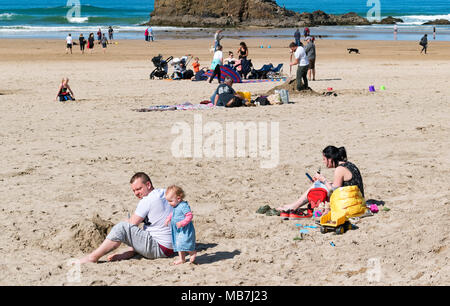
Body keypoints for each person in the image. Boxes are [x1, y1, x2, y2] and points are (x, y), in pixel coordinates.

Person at [80, 172, 174, 263]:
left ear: (148, 185)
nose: (136, 193)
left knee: (122, 227)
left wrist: (127, 221)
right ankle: (131, 252)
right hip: (173, 247)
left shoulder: (147, 200)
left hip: (160, 248)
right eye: (134, 190)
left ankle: (92, 257)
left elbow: (132, 224)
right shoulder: (165, 193)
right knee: (143, 227)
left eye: (139, 189)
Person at [277, 146, 365, 214]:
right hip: (357, 199)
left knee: (317, 185)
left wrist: (323, 180)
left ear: (330, 159)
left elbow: (333, 191)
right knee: (319, 184)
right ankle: (294, 205)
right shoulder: (349, 165)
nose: (323, 162)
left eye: (324, 159)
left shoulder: (339, 169)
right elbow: (343, 185)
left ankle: (294, 206)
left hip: (350, 202)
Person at [164, 185, 197, 265]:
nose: (169, 203)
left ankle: (192, 252)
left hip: (184, 229)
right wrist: (169, 218)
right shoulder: (176, 206)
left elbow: (189, 216)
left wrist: (182, 223)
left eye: (170, 201)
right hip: (177, 229)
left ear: (178, 198)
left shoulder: (183, 206)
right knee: (178, 243)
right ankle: (182, 259)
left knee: (184, 242)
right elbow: (174, 213)